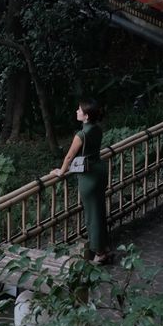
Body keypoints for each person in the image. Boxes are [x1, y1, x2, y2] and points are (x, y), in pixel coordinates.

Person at [52, 99, 110, 264]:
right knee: (99, 211)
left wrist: (61, 171)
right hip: (99, 170)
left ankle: (99, 253)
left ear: (86, 116)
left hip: (88, 176)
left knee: (92, 215)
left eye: (79, 110)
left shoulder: (81, 135)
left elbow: (69, 156)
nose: (76, 111)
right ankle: (104, 247)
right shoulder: (97, 129)